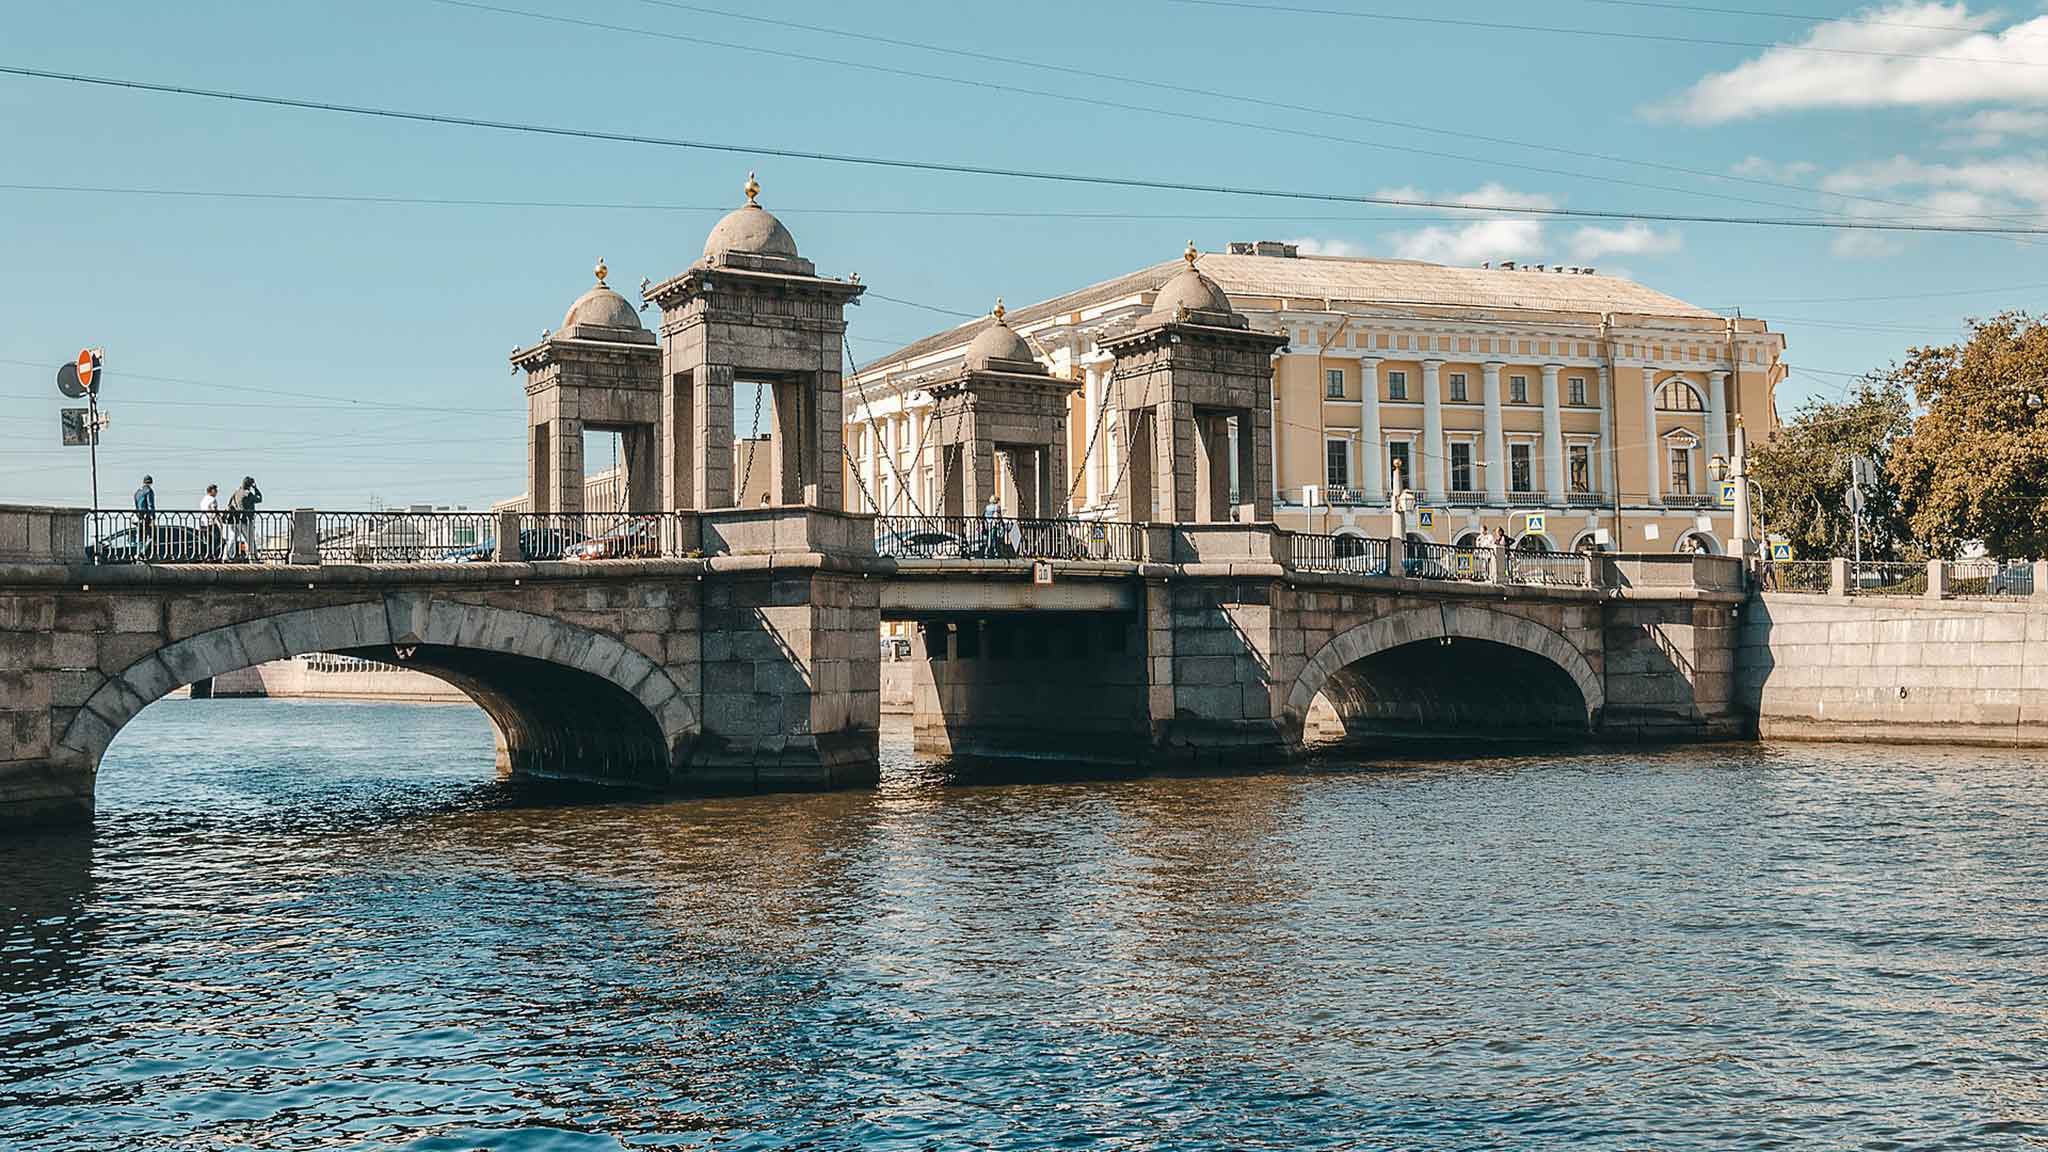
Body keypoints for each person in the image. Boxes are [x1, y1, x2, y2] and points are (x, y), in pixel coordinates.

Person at [222, 476, 263, 563]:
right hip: (245, 520)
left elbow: (229, 504)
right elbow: (260, 499)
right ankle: (253, 559)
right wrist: (256, 488)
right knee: (250, 540)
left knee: (232, 539)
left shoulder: (236, 493)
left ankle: (226, 556)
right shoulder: (248, 494)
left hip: (234, 520)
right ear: (250, 485)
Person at [132, 475, 157, 560]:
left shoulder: (137, 492)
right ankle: (142, 552)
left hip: (138, 517)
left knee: (139, 537)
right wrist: (153, 517)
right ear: (151, 482)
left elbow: (136, 505)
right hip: (146, 517)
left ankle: (138, 554)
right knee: (151, 536)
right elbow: (150, 505)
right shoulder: (149, 491)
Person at [199, 483, 222, 562]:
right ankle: (212, 555)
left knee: (208, 540)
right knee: (217, 538)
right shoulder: (213, 500)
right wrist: (220, 522)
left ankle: (207, 555)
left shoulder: (203, 499)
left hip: (203, 522)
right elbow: (214, 511)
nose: (217, 492)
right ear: (212, 491)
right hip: (211, 522)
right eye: (216, 490)